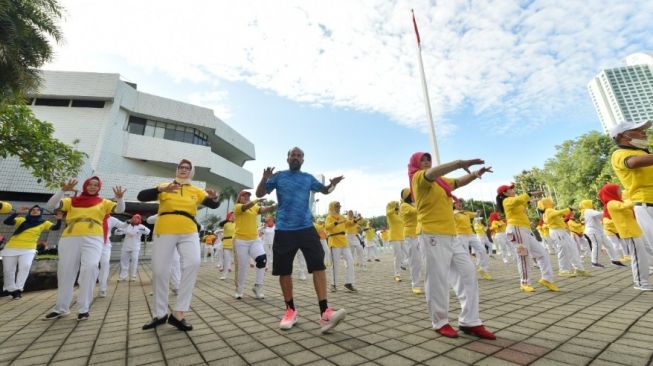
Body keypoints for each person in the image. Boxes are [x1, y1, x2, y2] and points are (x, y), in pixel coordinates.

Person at [256, 147, 346, 333]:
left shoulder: (307, 178)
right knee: (284, 271)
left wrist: (333, 185)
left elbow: (325, 190)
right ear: (287, 158)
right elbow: (259, 194)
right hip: (284, 229)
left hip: (306, 227)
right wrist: (265, 178)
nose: (296, 158)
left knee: (318, 266)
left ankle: (325, 313)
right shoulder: (279, 177)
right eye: (293, 155)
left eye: (299, 156)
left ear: (303, 160)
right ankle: (290, 311)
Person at [409, 152, 495, 339]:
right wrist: (458, 163)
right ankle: (440, 321)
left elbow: (458, 182)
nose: (426, 162)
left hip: (451, 235)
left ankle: (469, 321)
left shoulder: (441, 181)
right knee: (437, 279)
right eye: (423, 160)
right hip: (431, 233)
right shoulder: (419, 178)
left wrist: (475, 174)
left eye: (429, 159)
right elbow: (432, 173)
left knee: (468, 272)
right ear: (415, 163)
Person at [138, 159, 220, 331]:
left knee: (193, 262)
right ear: (177, 170)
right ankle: (160, 314)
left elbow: (213, 204)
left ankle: (179, 313)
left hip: (188, 228)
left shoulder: (196, 191)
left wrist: (215, 198)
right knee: (160, 271)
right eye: (181, 167)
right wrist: (160, 189)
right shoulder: (165, 186)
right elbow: (141, 196)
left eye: (187, 168)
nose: (183, 170)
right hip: (165, 228)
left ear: (191, 172)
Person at [44, 177, 125, 320]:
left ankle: (83, 308)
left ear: (99, 188)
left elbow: (120, 209)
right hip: (69, 237)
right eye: (90, 184)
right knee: (65, 271)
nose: (92, 187)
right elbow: (51, 206)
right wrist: (63, 190)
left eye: (96, 185)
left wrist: (119, 199)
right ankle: (61, 308)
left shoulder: (104, 202)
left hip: (93, 237)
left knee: (91, 268)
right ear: (85, 186)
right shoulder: (71, 201)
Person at [497, 187, 559, 293]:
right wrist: (532, 193)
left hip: (524, 230)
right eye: (510, 189)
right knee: (524, 256)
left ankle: (547, 279)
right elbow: (518, 200)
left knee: (542, 253)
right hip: (516, 229)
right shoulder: (507, 201)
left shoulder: (514, 201)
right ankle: (525, 283)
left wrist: (533, 200)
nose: (513, 190)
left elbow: (523, 203)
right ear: (505, 193)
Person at [609, 120, 653, 268]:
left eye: (643, 130)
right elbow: (633, 162)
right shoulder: (619, 154)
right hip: (647, 206)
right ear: (623, 136)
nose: (643, 132)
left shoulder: (644, 153)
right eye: (638, 130)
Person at [599, 183, 652, 290]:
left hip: (635, 232)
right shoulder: (611, 203)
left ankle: (643, 280)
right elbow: (627, 205)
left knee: (642, 256)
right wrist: (633, 197)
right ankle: (640, 283)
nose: (620, 192)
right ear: (611, 192)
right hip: (629, 233)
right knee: (637, 258)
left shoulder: (618, 202)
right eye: (618, 190)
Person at [1, 206, 62, 299]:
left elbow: (55, 228)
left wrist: (59, 220)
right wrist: (17, 212)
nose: (35, 211)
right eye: (33, 210)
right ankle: (9, 290)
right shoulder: (22, 219)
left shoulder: (44, 223)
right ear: (29, 211)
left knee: (25, 267)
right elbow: (7, 222)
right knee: (8, 270)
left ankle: (18, 289)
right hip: (11, 247)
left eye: (37, 210)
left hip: (29, 249)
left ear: (41, 212)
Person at [233, 190, 276, 299]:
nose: (247, 197)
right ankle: (239, 289)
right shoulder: (237, 207)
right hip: (240, 240)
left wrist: (274, 206)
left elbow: (263, 209)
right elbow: (245, 207)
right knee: (242, 267)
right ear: (240, 197)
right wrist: (256, 200)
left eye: (248, 196)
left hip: (254, 239)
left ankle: (258, 286)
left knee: (262, 259)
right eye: (244, 195)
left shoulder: (254, 207)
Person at [538, 198, 588, 277]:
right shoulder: (548, 210)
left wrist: (566, 213)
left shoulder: (550, 211)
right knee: (563, 250)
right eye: (550, 201)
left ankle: (579, 269)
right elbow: (557, 213)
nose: (552, 202)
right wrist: (568, 209)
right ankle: (563, 270)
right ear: (547, 203)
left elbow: (558, 215)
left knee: (572, 248)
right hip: (557, 232)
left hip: (561, 232)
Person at [579, 200, 625, 268]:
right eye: (591, 203)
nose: (593, 204)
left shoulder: (590, 211)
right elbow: (600, 214)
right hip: (593, 231)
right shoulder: (588, 210)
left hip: (599, 231)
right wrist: (607, 209)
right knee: (597, 245)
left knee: (609, 245)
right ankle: (594, 262)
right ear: (587, 204)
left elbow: (601, 217)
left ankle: (615, 260)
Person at [453, 201, 492, 280]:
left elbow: (476, 214)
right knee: (466, 255)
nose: (459, 204)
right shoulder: (453, 213)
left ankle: (483, 269)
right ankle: (467, 274)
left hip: (471, 234)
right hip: (460, 235)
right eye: (457, 203)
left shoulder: (466, 213)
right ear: (453, 205)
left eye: (460, 202)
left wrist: (478, 212)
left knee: (482, 250)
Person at [325, 201, 356, 293]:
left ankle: (348, 282)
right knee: (335, 264)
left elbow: (348, 224)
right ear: (332, 207)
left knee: (350, 261)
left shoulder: (342, 217)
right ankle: (333, 284)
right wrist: (336, 223)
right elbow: (327, 227)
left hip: (344, 241)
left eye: (339, 206)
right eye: (337, 206)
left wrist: (354, 221)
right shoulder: (329, 217)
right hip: (334, 241)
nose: (339, 207)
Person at [97, 215, 128, 297]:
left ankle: (102, 288)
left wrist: (128, 221)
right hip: (92, 243)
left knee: (105, 264)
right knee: (92, 266)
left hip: (105, 244)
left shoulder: (111, 219)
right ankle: (86, 286)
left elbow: (122, 225)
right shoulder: (93, 215)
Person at [400, 188, 423, 294]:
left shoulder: (413, 204)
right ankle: (415, 284)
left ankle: (404, 264)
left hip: (420, 233)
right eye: (411, 194)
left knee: (422, 260)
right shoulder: (404, 205)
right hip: (410, 235)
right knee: (415, 261)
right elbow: (415, 211)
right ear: (407, 196)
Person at [118, 214, 150, 281]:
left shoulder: (141, 226)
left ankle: (133, 275)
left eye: (137, 218)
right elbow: (117, 232)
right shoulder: (127, 226)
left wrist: (142, 229)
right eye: (134, 218)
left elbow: (148, 232)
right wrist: (120, 231)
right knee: (124, 261)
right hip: (126, 246)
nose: (135, 219)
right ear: (131, 219)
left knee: (134, 261)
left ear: (139, 220)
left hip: (135, 247)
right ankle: (123, 276)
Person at [386, 201, 405, 282]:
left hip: (402, 237)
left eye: (398, 205)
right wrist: (396, 208)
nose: (398, 206)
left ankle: (402, 264)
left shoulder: (399, 215)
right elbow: (389, 212)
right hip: (394, 237)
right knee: (397, 256)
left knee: (405, 254)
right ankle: (397, 274)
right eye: (396, 205)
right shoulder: (390, 215)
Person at [218, 213, 235, 280]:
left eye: (234, 215)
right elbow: (220, 224)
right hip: (226, 243)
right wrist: (227, 220)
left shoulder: (237, 223)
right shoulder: (225, 224)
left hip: (235, 243)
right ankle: (224, 275)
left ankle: (239, 275)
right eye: (231, 215)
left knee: (237, 260)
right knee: (226, 260)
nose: (233, 216)